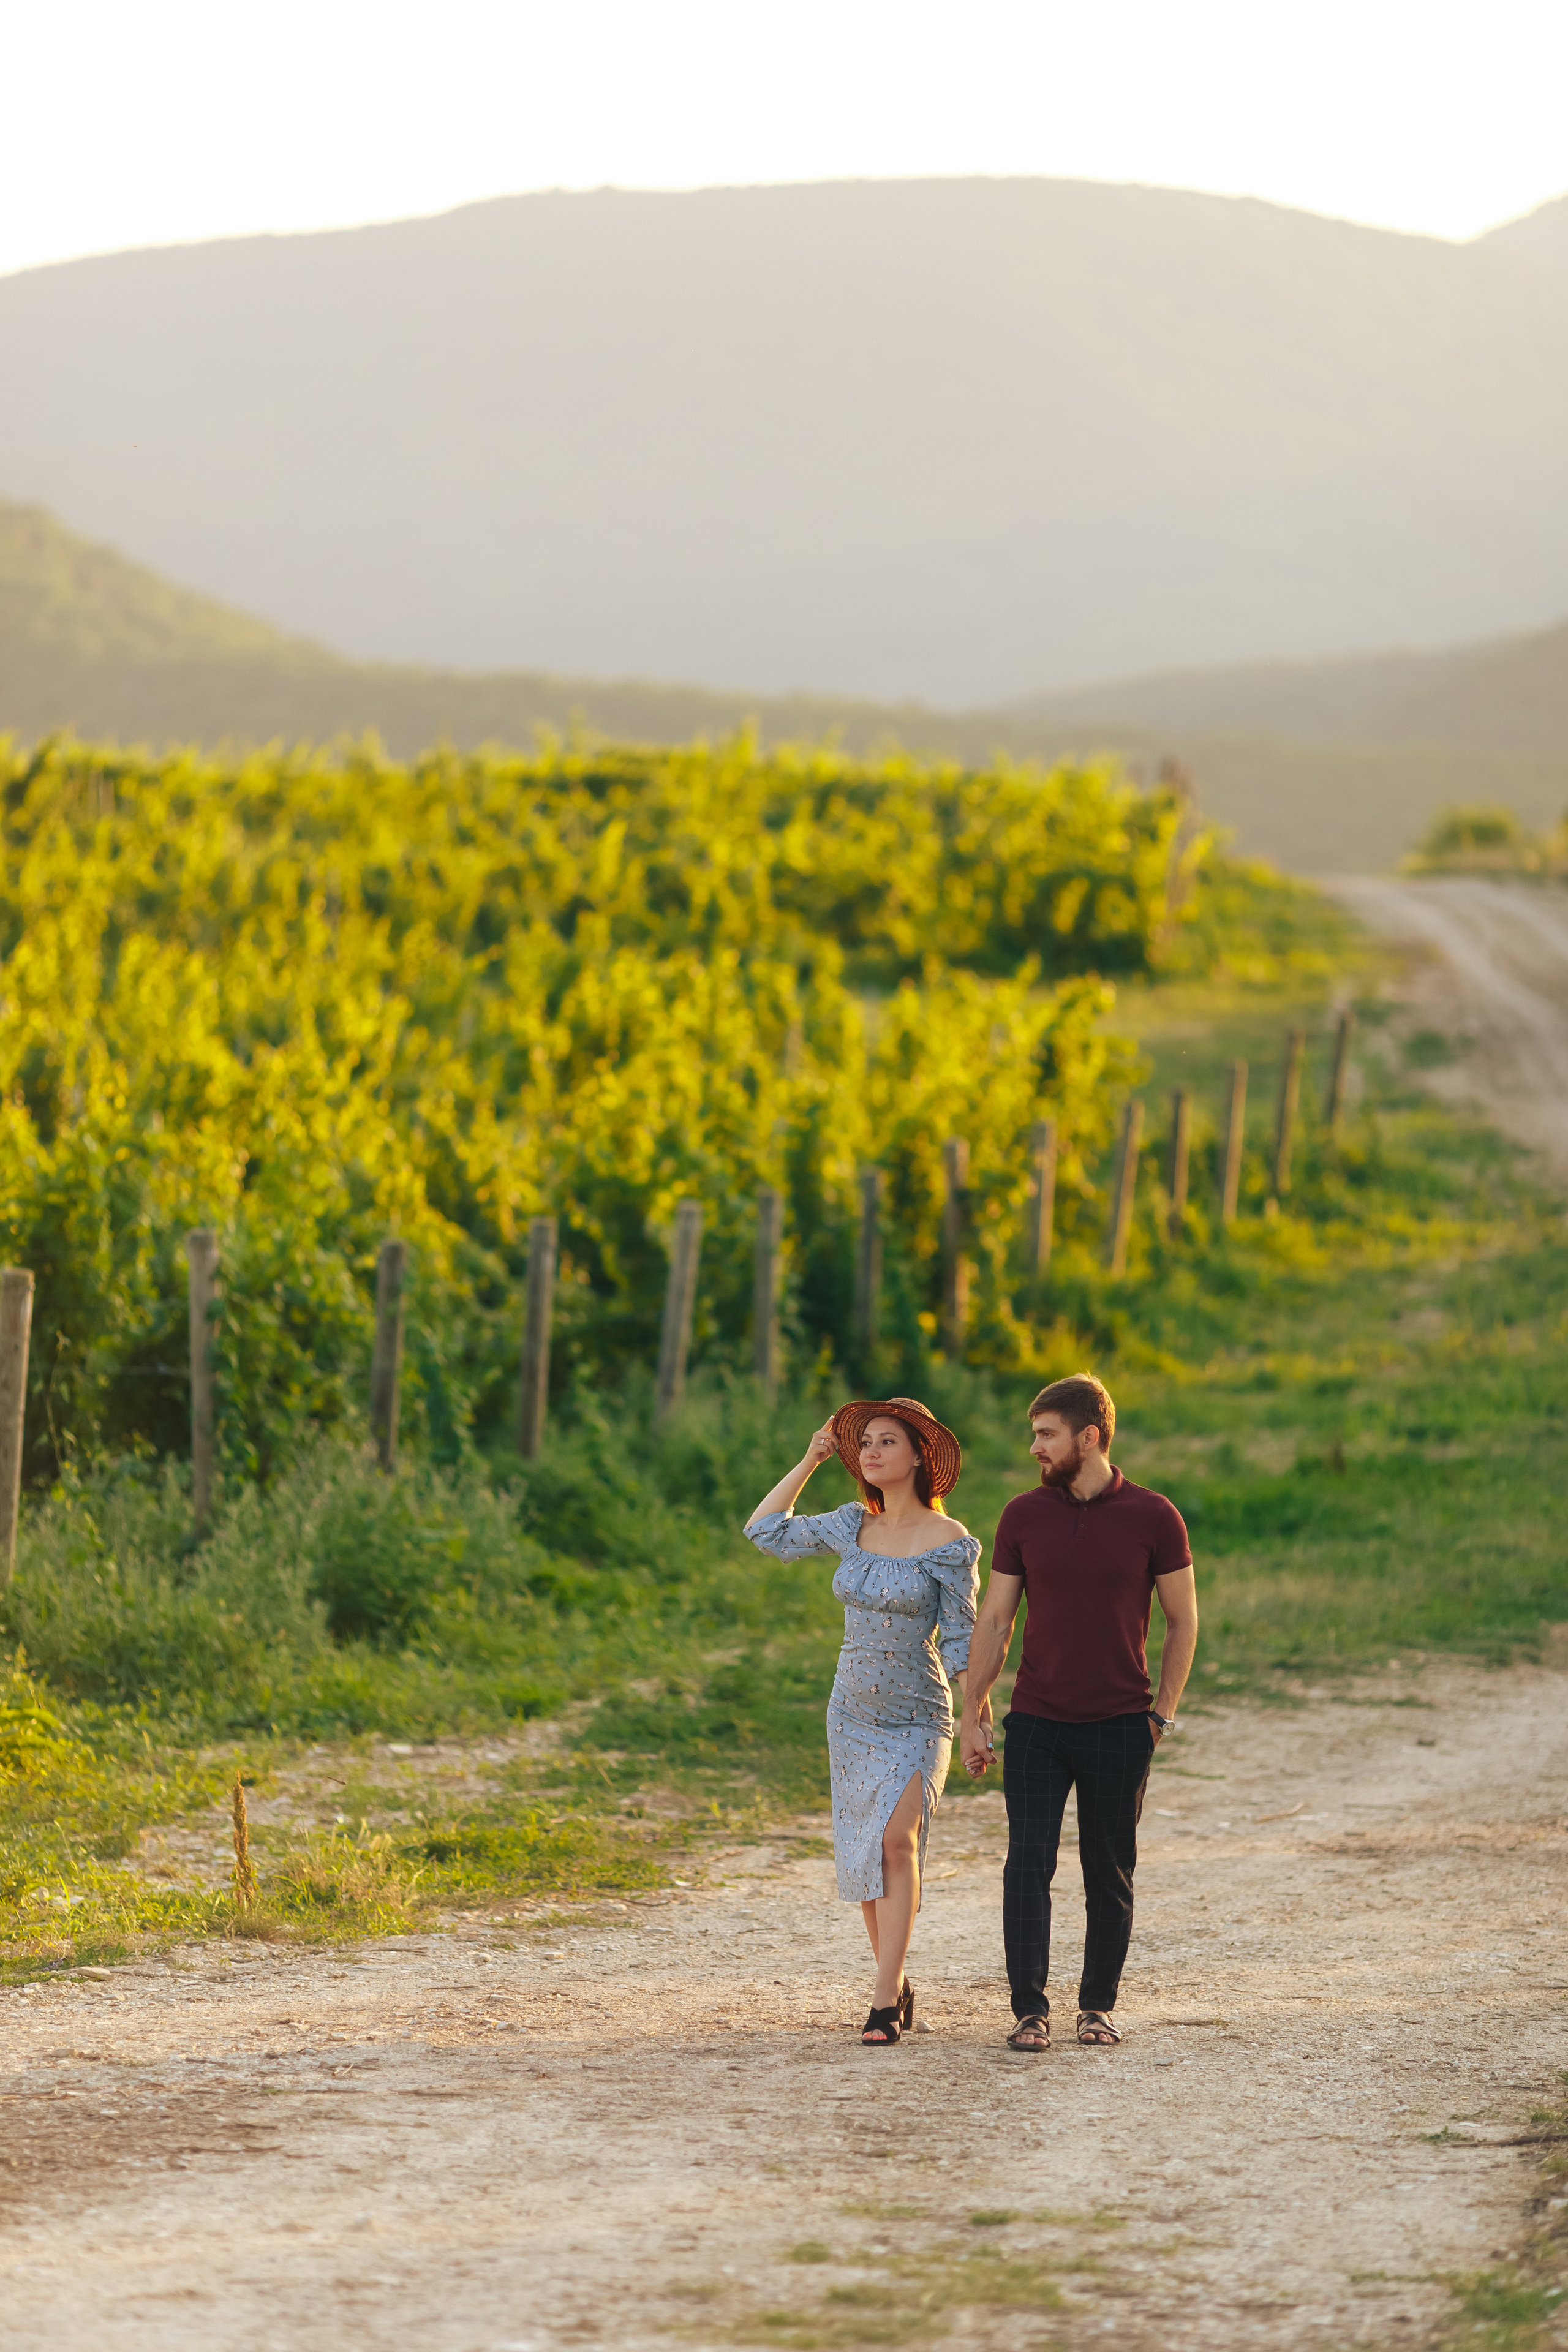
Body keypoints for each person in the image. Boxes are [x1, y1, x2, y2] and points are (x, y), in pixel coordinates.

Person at [959, 1374, 1198, 2052]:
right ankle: (1028, 2011)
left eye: (1045, 1434)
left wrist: (1161, 1717)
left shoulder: (1154, 1517)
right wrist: (975, 1709)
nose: (1033, 1447)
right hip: (1036, 1722)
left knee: (1108, 1869)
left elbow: (1183, 1622)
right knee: (1027, 1863)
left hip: (1122, 1725)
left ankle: (1096, 2007)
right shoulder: (1022, 1516)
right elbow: (997, 1619)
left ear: (1088, 1437)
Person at [745, 1398, 982, 2046]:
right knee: (865, 1852)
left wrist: (980, 1718)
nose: (872, 1453)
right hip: (850, 1712)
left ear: (919, 1455)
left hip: (918, 1715)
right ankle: (895, 1981)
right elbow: (764, 1531)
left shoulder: (950, 1542)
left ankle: (881, 1999)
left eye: (887, 1442)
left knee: (895, 1841)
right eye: (865, 1443)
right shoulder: (851, 1523)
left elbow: (962, 1641)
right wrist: (810, 1459)